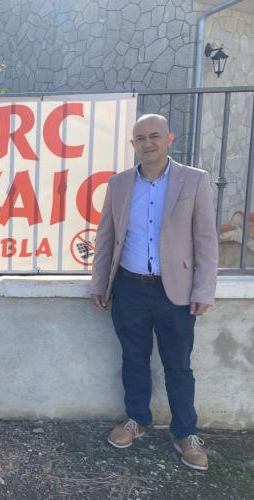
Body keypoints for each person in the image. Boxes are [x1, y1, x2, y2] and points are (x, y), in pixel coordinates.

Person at [90, 114, 218, 471]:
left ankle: (185, 433)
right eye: (141, 138)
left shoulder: (194, 180)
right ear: (133, 144)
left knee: (178, 366)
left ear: (169, 139)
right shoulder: (118, 184)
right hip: (129, 287)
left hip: (176, 291)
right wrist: (99, 283)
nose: (148, 143)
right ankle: (137, 419)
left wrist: (204, 289)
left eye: (154, 136)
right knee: (133, 358)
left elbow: (206, 239)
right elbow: (106, 236)